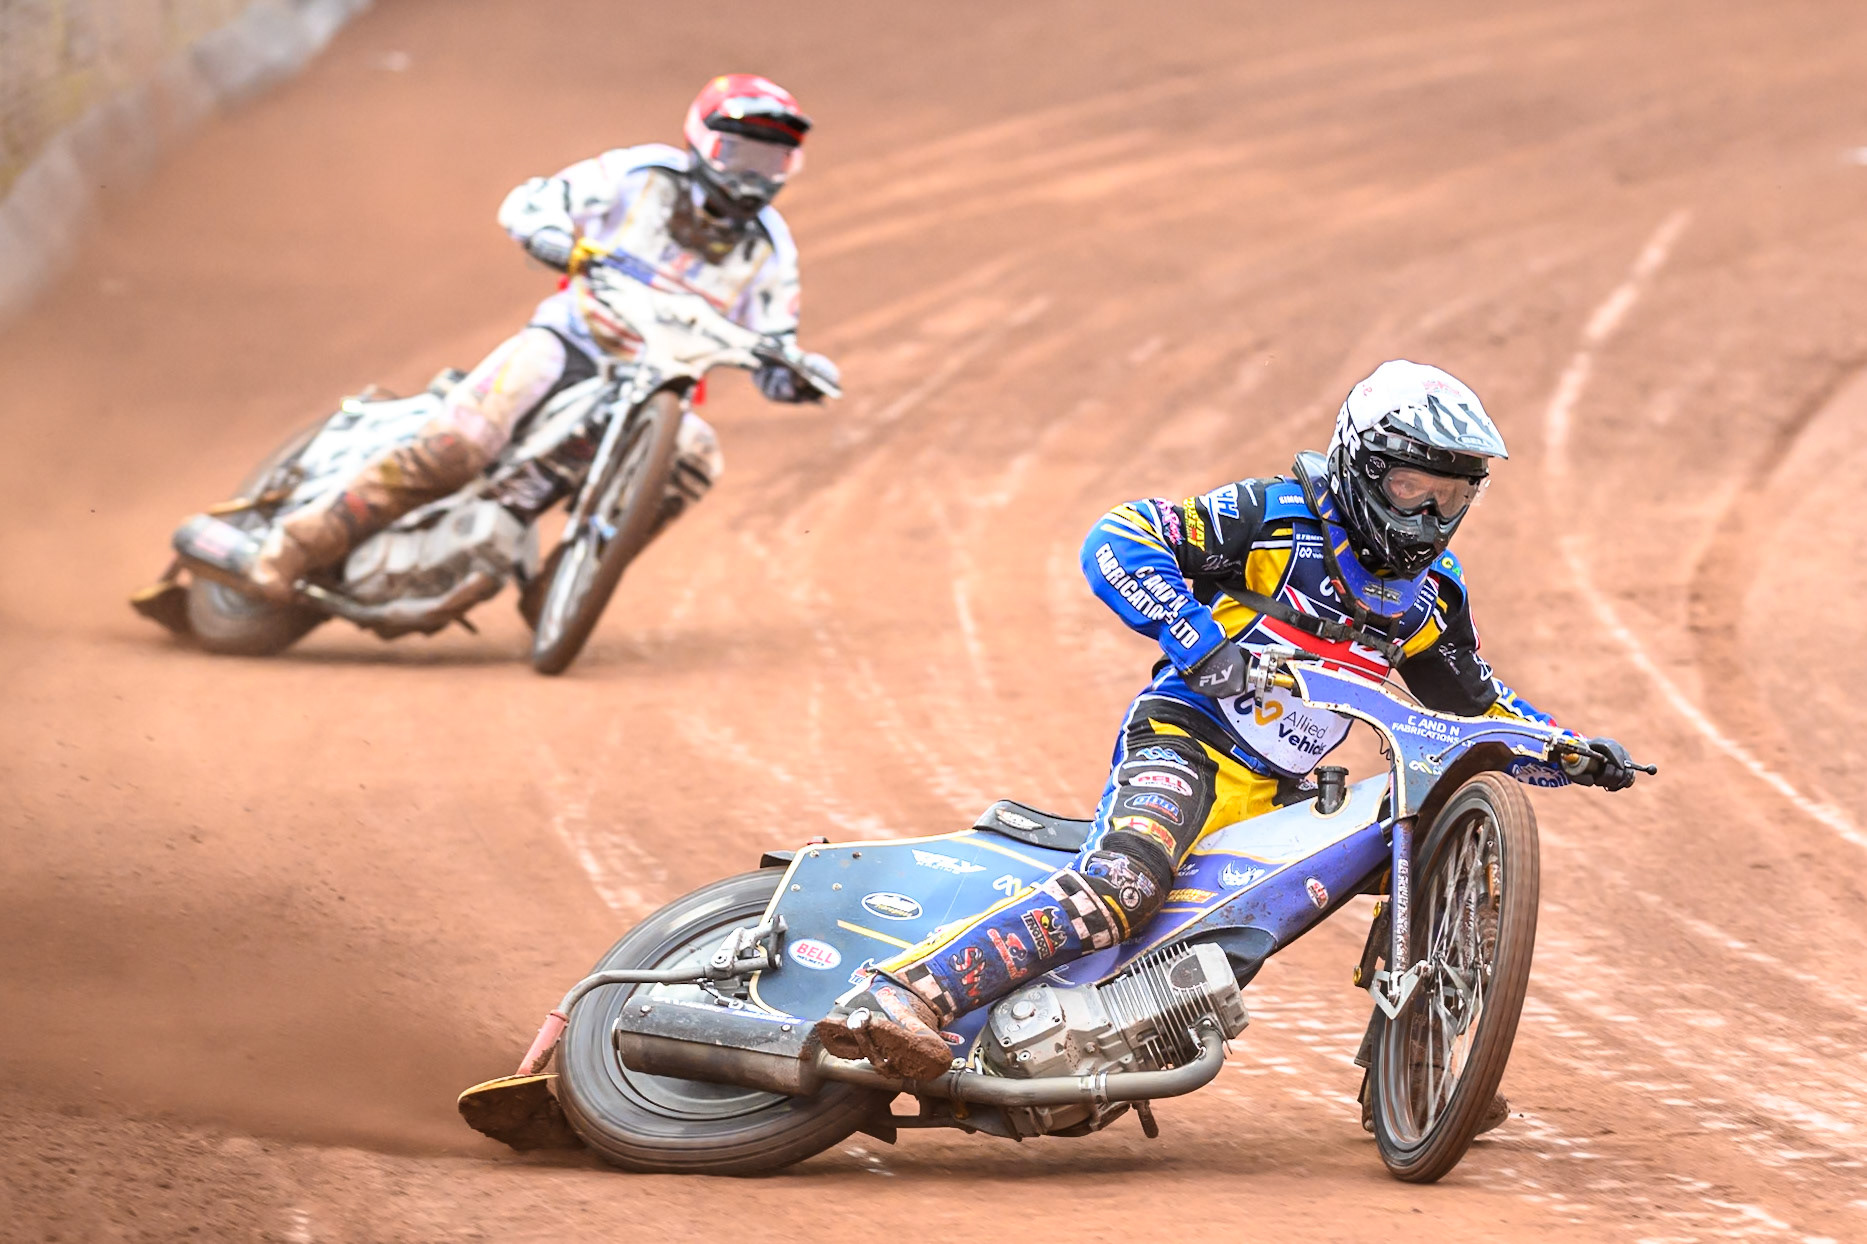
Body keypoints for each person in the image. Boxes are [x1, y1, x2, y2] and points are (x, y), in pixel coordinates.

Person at [815, 359, 1638, 1081]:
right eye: (1409, 490)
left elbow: (1476, 707)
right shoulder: (1276, 517)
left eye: (1448, 497)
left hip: (1285, 793)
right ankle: (902, 998)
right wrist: (1197, 640)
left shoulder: (1430, 597)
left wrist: (1564, 750)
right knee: (1125, 885)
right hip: (1187, 738)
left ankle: (1421, 1066)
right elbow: (1121, 536)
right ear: (1360, 463)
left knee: (1431, 848)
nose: (1425, 517)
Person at [235, 74, 837, 601]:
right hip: (572, 343)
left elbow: (775, 340)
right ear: (702, 142)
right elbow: (540, 199)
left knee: (698, 457)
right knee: (457, 447)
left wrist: (794, 376)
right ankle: (294, 546)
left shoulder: (772, 251)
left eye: (772, 161)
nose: (754, 176)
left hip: (660, 384)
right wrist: (547, 233)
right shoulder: (640, 174)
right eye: (740, 153)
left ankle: (568, 585)